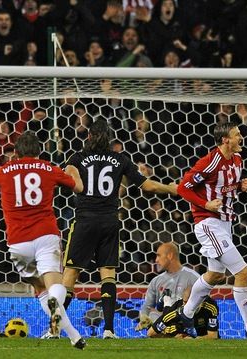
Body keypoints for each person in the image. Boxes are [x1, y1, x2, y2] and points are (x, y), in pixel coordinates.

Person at [0, 131, 86, 349]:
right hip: (46, 234)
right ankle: (64, 318)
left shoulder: (3, 170)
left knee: (39, 288)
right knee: (54, 284)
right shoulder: (48, 168)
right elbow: (79, 187)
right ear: (39, 151)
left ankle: (73, 335)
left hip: (18, 241)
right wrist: (73, 170)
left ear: (16, 152)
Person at [61, 119, 178, 339]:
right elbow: (147, 185)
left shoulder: (78, 158)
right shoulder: (120, 160)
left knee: (70, 273)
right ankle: (108, 330)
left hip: (85, 220)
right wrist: (172, 189)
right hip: (109, 221)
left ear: (89, 137)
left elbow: (66, 179)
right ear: (109, 139)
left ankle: (55, 328)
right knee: (107, 274)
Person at [176, 122, 247, 340]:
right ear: (225, 140)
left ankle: (185, 314)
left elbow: (226, 188)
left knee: (216, 275)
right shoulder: (210, 162)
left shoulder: (238, 160)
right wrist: (205, 204)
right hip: (208, 222)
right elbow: (183, 187)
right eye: (237, 134)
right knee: (243, 272)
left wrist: (240, 187)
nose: (242, 137)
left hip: (226, 223)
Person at [136, 242, 199, 331]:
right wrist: (143, 319)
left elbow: (205, 305)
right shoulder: (156, 281)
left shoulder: (193, 277)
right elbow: (147, 307)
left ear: (169, 256)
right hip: (162, 325)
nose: (156, 260)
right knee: (152, 316)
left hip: (186, 324)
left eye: (159, 256)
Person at [147, 287, 219, 339]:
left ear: (200, 301)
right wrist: (174, 338)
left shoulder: (210, 307)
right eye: (185, 302)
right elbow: (151, 334)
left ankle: (167, 299)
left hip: (199, 332)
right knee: (169, 320)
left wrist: (193, 340)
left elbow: (213, 336)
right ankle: (166, 298)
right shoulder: (177, 310)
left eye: (191, 303)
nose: (187, 306)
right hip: (180, 328)